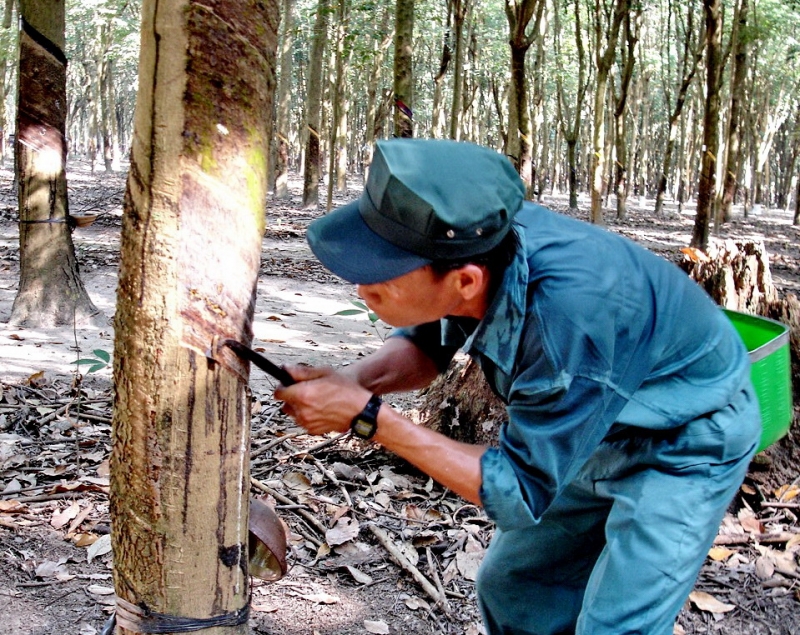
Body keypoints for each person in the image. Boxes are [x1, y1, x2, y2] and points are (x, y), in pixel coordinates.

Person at [275, 138, 761, 635]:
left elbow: (519, 490)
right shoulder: (478, 237)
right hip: (593, 423)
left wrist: (369, 418)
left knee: (616, 625)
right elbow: (428, 344)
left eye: (384, 276)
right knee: (517, 588)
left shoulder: (565, 324)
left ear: (465, 281)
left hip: (686, 438)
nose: (364, 289)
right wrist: (354, 381)